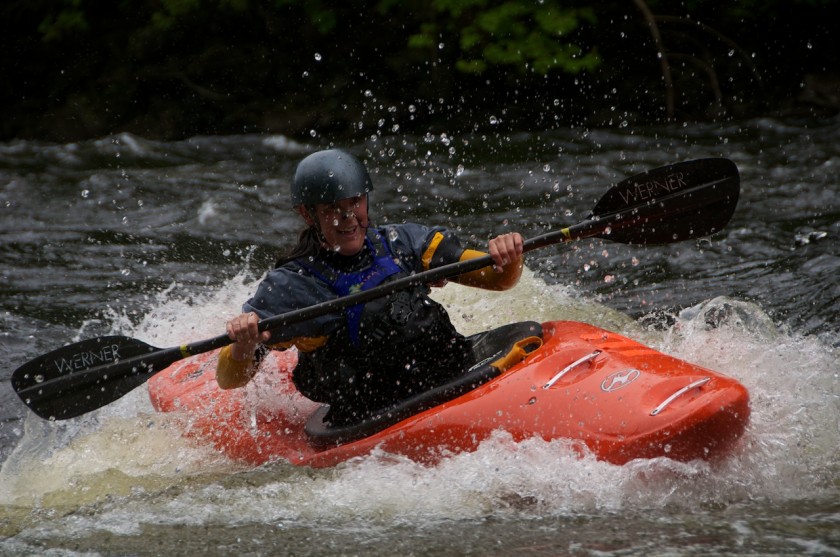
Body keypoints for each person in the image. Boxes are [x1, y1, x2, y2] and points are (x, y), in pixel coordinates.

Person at [217, 148, 525, 425]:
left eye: (355, 202)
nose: (347, 218)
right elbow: (229, 379)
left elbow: (498, 280)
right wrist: (244, 344)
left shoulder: (403, 243)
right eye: (331, 208)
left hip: (447, 371)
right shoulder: (293, 287)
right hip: (370, 410)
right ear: (307, 214)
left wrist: (508, 259)